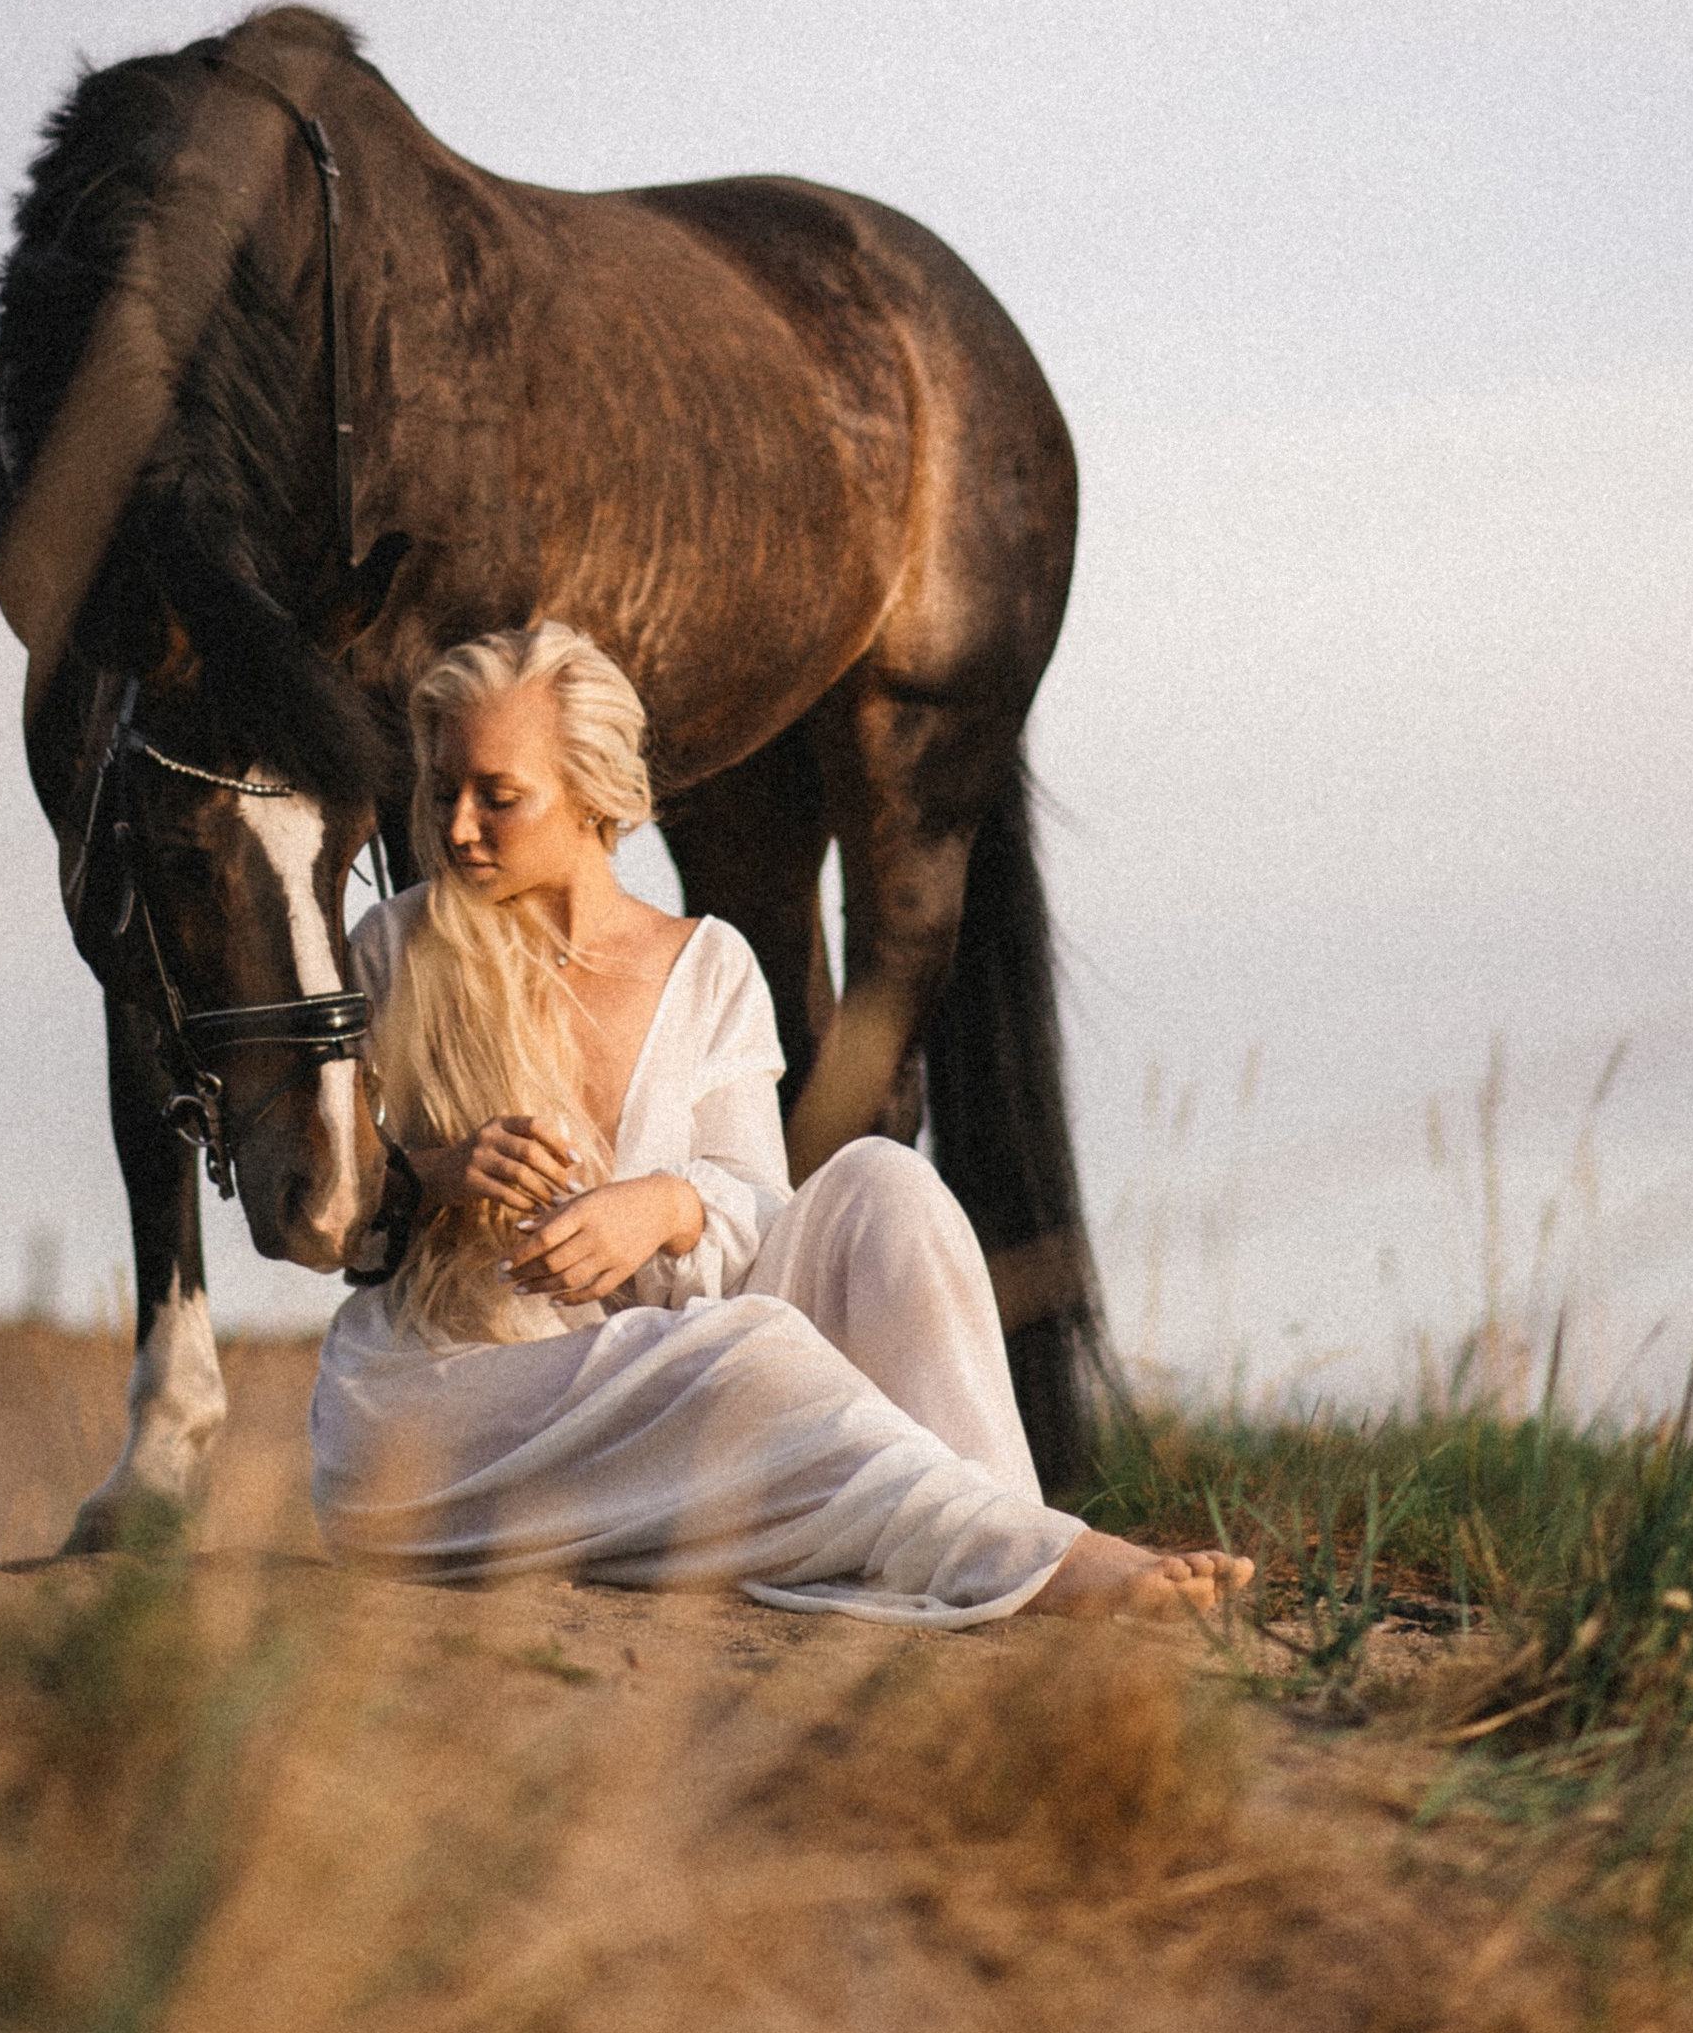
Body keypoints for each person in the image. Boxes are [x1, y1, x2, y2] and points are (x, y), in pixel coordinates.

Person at [311, 621, 1250, 1629]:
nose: (457, 829)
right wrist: (432, 1172)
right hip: (442, 1412)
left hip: (670, 1378)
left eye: (498, 797)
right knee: (746, 1352)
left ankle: (1008, 1539)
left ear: (594, 797)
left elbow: (753, 1218)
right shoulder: (393, 952)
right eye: (442, 789)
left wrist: (667, 1207)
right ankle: (1047, 1563)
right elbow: (310, 1222)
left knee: (887, 1187)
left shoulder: (709, 968)